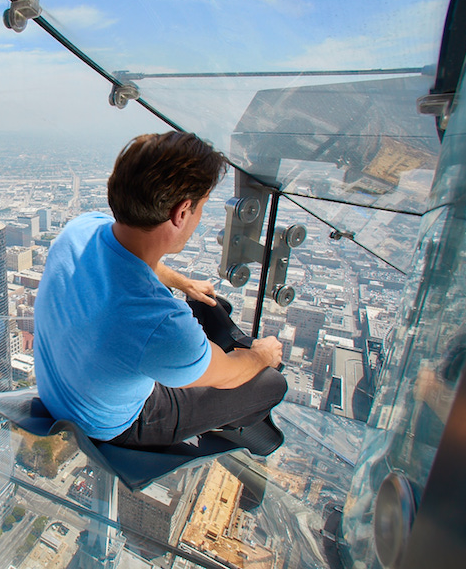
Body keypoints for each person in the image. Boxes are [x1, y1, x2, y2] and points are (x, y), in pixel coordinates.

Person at [34, 131, 287, 453]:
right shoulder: (161, 325)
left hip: (62, 390)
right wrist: (261, 355)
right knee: (269, 382)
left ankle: (192, 366)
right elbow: (233, 374)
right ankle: (232, 430)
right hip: (109, 424)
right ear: (182, 213)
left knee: (208, 306)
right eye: (202, 208)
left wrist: (183, 283)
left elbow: (127, 255)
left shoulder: (80, 229)